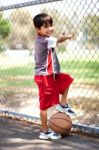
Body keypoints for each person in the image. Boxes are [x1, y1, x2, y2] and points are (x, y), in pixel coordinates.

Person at [33, 13, 76, 140]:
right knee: (44, 106)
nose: (50, 28)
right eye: (45, 26)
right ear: (38, 29)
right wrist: (67, 36)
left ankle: (62, 104)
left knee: (67, 79)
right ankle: (44, 131)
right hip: (44, 77)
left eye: (51, 25)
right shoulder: (43, 40)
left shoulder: (46, 39)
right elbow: (59, 40)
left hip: (52, 75)